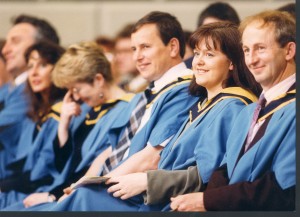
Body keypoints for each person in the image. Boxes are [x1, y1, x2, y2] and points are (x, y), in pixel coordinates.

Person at [35, 21, 261, 212]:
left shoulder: (231, 106)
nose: (198, 62)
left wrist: (146, 181)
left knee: (81, 198)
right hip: (154, 193)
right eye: (198, 53)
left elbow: (206, 176)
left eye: (209, 55)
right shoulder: (205, 104)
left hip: (170, 201)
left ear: (232, 62)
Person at [15, 11, 198, 211]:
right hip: (112, 189)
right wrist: (82, 183)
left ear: (173, 46)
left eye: (145, 47)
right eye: (134, 49)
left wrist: (99, 184)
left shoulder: (184, 90)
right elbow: (110, 151)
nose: (137, 57)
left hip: (137, 197)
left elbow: (152, 157)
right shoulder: (145, 95)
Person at [170, 10, 295, 211]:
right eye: (246, 50)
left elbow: (282, 189)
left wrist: (207, 201)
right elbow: (225, 169)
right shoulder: (250, 112)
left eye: (260, 49)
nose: (251, 60)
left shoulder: (291, 109)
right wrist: (207, 203)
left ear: (289, 51)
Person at [0, 41, 136, 210]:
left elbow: (98, 168)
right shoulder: (90, 110)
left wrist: (53, 195)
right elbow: (65, 165)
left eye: (77, 89)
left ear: (98, 80)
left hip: (84, 196)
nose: (75, 96)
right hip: (63, 190)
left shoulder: (126, 109)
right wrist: (64, 124)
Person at [0, 40, 66, 209]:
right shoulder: (36, 112)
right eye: (30, 66)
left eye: (42, 65)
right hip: (21, 187)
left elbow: (47, 171)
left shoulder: (65, 111)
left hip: (44, 192)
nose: (34, 73)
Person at [0, 14, 60, 176]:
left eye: (16, 41)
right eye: (6, 42)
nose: (5, 50)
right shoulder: (9, 89)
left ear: (41, 47)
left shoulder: (30, 92)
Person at [185, 1, 240, 68]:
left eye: (219, 32)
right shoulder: (185, 68)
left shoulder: (248, 67)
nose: (211, 36)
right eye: (207, 30)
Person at [113, 23, 148, 93]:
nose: (118, 58)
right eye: (118, 52)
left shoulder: (152, 88)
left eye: (126, 51)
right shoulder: (124, 84)